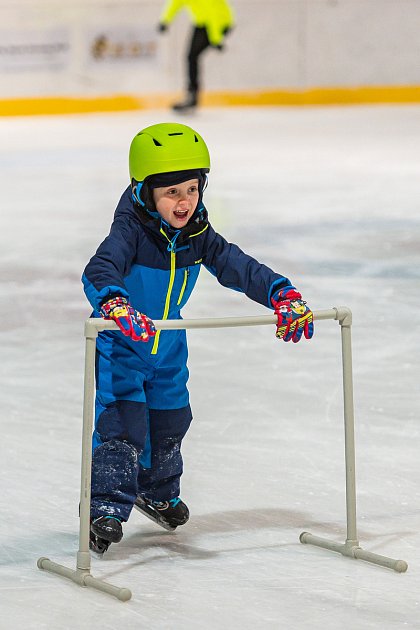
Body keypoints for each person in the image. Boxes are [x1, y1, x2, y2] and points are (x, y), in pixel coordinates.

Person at [82, 122, 314, 553]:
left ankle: (157, 491)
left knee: (171, 422)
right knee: (123, 427)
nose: (184, 201)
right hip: (123, 345)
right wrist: (116, 304)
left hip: (168, 345)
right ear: (146, 192)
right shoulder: (130, 232)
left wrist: (281, 292)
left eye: (191, 189)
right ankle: (106, 508)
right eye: (171, 193)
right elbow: (99, 270)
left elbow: (238, 267)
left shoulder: (198, 235)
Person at [157, 0, 235, 111]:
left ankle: (192, 96)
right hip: (201, 22)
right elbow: (175, 3)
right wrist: (165, 20)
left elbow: (213, 13)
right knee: (191, 57)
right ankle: (192, 95)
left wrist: (216, 39)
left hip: (220, 23)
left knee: (192, 57)